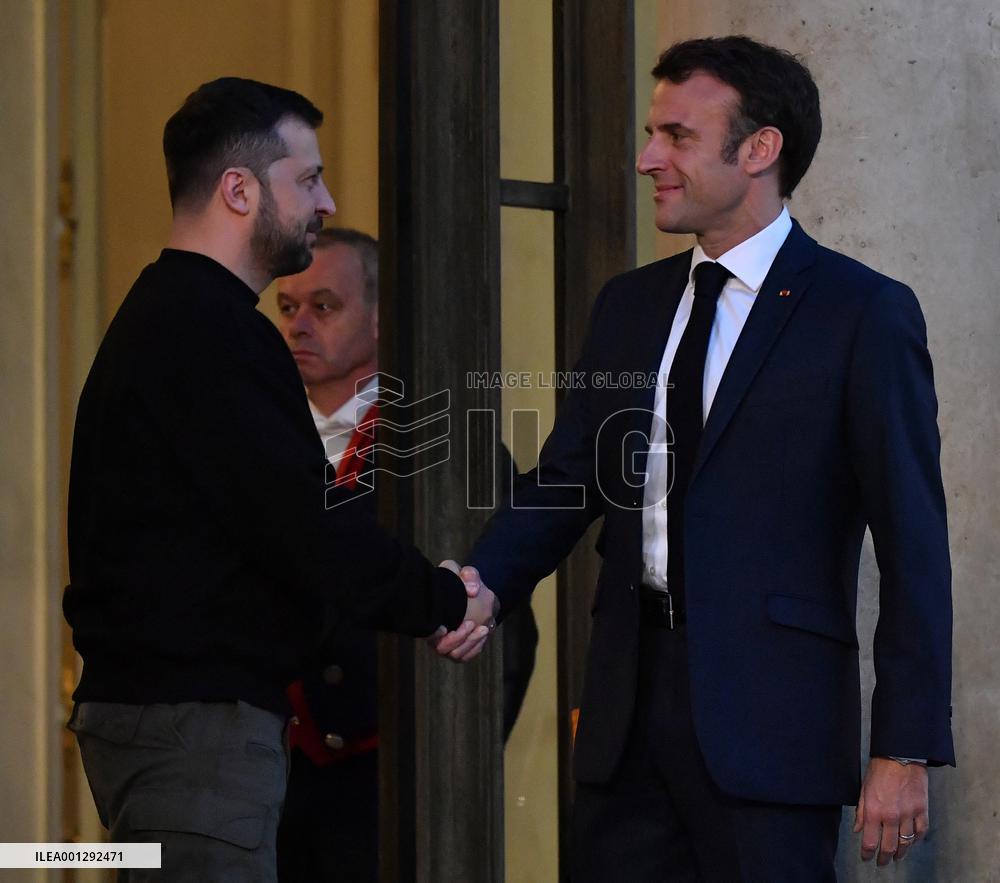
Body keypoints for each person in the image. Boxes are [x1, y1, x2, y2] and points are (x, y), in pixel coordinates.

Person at [436, 36, 954, 880]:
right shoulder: (628, 304)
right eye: (651, 133)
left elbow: (914, 546)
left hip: (770, 735)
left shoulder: (864, 313)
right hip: (624, 722)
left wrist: (904, 746)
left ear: (760, 148)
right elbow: (570, 477)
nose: (647, 159)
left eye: (675, 136)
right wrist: (489, 582)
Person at [63, 77, 495, 882]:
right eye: (307, 178)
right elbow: (304, 527)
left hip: (169, 718)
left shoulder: (168, 316)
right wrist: (443, 599)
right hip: (196, 728)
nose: (325, 199)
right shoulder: (212, 331)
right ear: (238, 189)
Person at [273, 227, 537, 880]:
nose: (299, 324)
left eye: (324, 306)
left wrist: (445, 780)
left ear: (380, 316)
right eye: (287, 307)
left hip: (391, 793)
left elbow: (504, 636)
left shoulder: (447, 448)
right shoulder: (262, 436)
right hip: (270, 786)